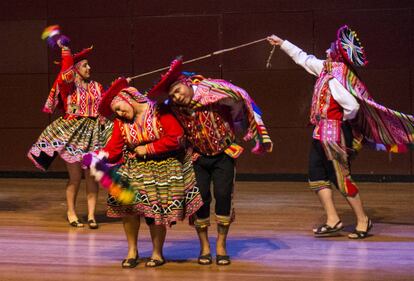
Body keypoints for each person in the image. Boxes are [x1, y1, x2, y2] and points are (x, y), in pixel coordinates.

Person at [267, 25, 414, 239]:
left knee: (341, 177)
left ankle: (363, 220)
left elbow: (352, 107)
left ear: (336, 54)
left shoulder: (337, 77)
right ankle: (333, 219)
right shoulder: (327, 69)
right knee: (316, 175)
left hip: (333, 134)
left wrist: (340, 122)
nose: (327, 49)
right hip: (321, 133)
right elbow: (304, 58)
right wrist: (282, 43)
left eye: (331, 48)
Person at [146, 59, 273, 265]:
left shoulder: (213, 92)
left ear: (187, 83)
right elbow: (152, 113)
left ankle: (221, 245)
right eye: (173, 95)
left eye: (178, 91)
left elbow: (239, 97)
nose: (177, 97)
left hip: (224, 153)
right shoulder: (174, 108)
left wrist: (242, 123)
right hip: (197, 157)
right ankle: (204, 247)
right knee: (201, 201)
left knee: (223, 196)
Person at [86, 77, 203, 268]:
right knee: (128, 206)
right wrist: (96, 157)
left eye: (120, 107)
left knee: (155, 210)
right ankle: (132, 250)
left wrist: (148, 148)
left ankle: (157, 253)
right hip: (134, 166)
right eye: (116, 111)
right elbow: (114, 149)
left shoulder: (159, 111)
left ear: (129, 98)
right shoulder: (120, 122)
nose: (120, 113)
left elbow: (176, 137)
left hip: (162, 166)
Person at [27, 39, 112, 229]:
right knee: (75, 177)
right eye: (85, 65)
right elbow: (64, 74)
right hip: (73, 133)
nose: (89, 68)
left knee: (91, 176)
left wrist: (118, 89)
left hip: (93, 135)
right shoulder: (69, 85)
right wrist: (66, 52)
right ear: (75, 69)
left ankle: (91, 215)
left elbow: (106, 104)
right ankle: (71, 213)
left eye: (89, 64)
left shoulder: (97, 86)